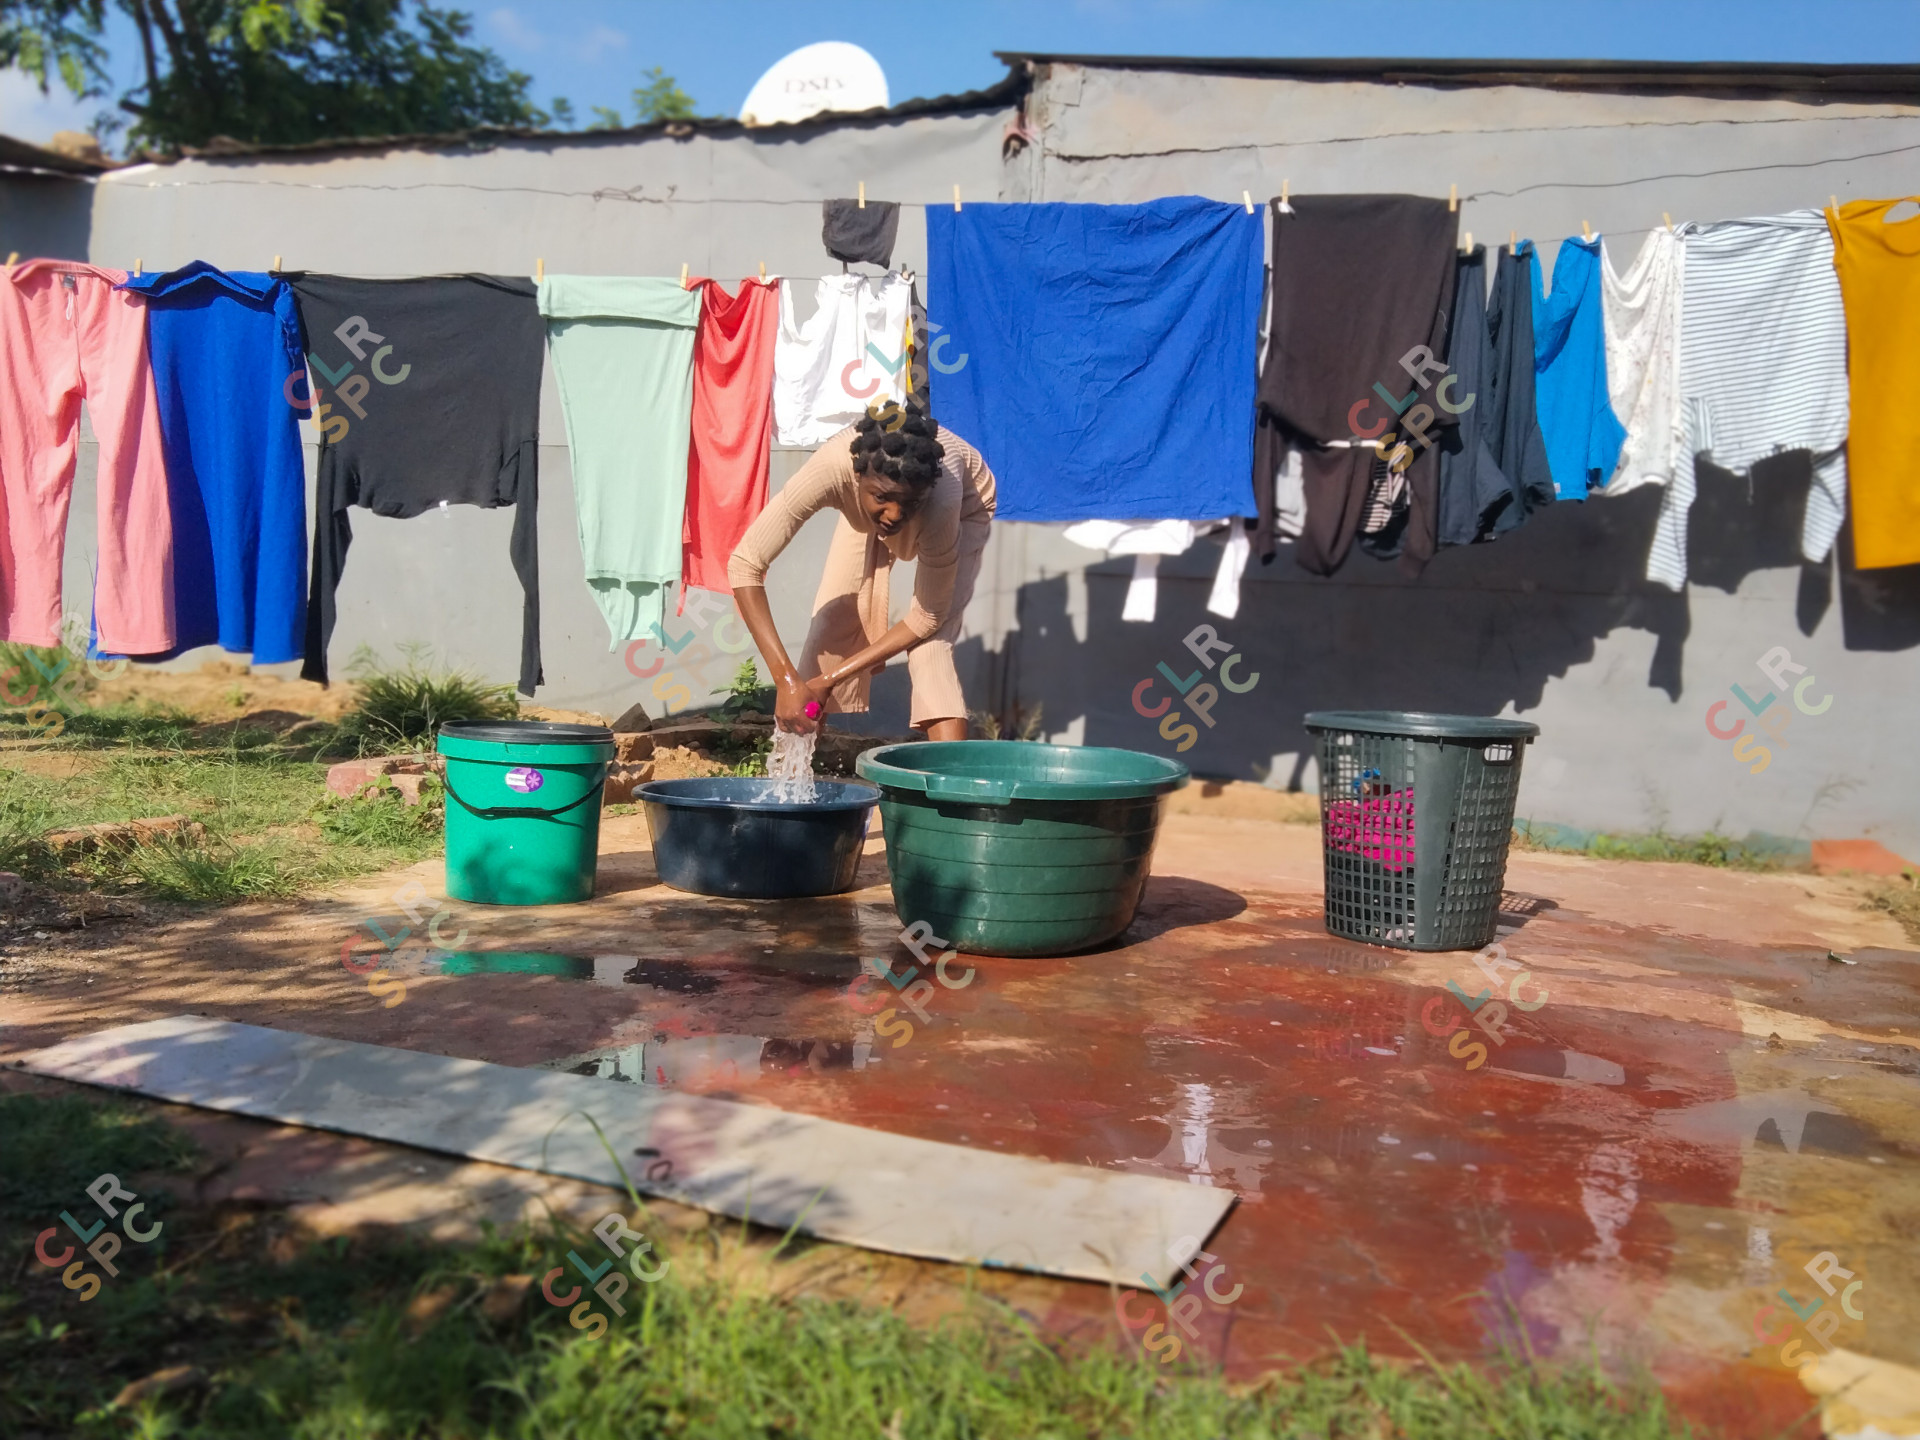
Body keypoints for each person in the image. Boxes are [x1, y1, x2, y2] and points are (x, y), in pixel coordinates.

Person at [728, 395, 996, 741]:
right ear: (857, 479)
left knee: (930, 647)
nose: (895, 515)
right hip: (872, 504)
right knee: (832, 621)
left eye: (907, 503)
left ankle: (949, 785)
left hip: (965, 508)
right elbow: (745, 563)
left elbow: (926, 618)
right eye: (882, 497)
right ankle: (796, 779)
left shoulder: (941, 499)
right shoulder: (834, 467)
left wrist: (830, 680)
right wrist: (787, 681)